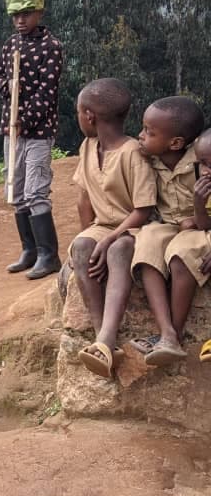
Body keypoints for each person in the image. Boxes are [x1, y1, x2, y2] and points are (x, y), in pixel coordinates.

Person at [71, 79, 157, 379]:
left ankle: (107, 338)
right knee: (81, 248)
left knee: (119, 250)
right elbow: (84, 201)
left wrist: (108, 239)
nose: (79, 119)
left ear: (89, 115)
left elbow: (143, 210)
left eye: (79, 113)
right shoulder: (87, 146)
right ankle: (102, 341)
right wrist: (89, 244)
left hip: (134, 229)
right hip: (101, 227)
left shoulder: (133, 151)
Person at [0, 0, 64, 280]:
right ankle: (29, 250)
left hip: (38, 133)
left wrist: (24, 119)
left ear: (40, 12)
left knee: (36, 192)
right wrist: (8, 88)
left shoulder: (52, 48)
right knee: (16, 190)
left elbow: (47, 96)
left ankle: (49, 255)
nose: (20, 20)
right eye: (16, 14)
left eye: (27, 13)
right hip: (12, 132)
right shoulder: (11, 45)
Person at [129, 97, 205, 366]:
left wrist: (196, 220)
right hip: (167, 225)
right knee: (147, 243)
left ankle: (174, 333)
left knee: (180, 255)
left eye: (149, 132)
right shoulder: (148, 158)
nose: (140, 136)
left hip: (201, 228)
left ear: (176, 143)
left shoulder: (202, 159)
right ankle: (167, 333)